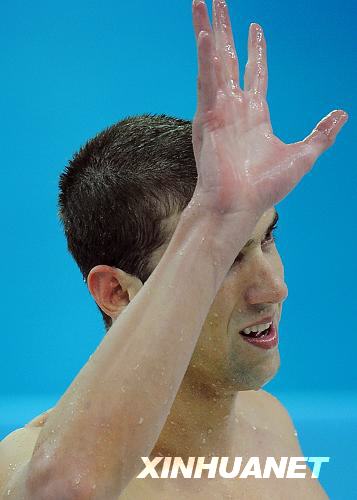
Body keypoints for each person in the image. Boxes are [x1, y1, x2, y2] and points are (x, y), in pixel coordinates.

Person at [0, 0, 348, 498]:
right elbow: (67, 488)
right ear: (116, 292)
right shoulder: (24, 465)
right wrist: (210, 222)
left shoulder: (268, 427)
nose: (274, 288)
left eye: (266, 238)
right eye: (223, 259)